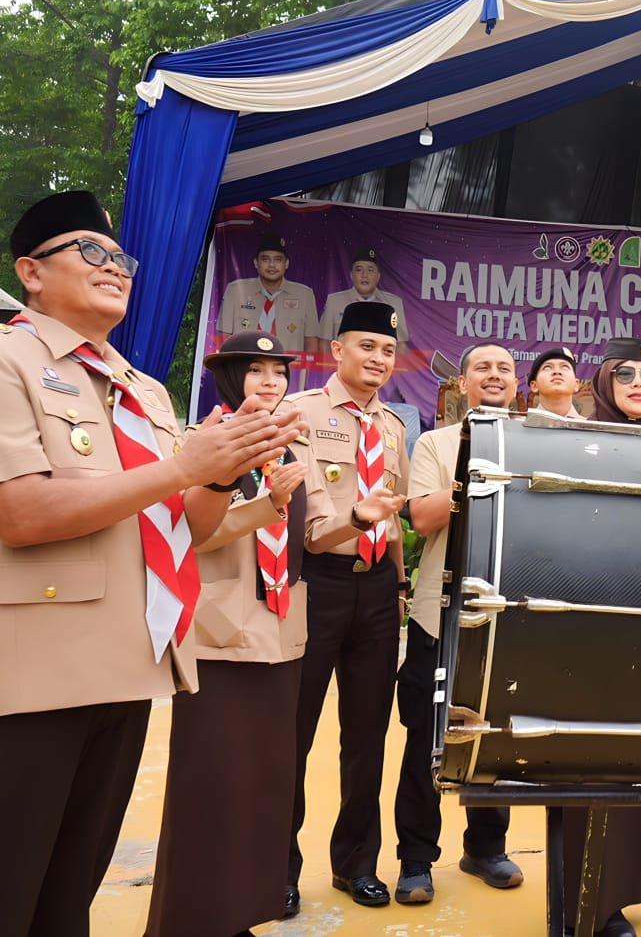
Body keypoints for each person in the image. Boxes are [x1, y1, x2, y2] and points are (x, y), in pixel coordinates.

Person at [0, 190, 300, 937]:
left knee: (68, 898)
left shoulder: (144, 390)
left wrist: (227, 470)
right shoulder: (9, 359)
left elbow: (183, 531)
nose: (115, 267)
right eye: (91, 252)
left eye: (121, 258)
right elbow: (22, 514)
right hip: (31, 675)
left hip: (127, 667)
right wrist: (184, 468)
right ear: (30, 272)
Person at [146, 333, 311, 937]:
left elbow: (304, 534)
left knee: (264, 784)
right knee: (210, 783)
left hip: (281, 632)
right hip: (219, 635)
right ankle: (191, 920)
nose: (270, 381)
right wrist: (265, 505)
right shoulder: (204, 440)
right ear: (228, 377)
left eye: (278, 370)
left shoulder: (292, 443)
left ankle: (241, 912)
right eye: (254, 370)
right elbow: (187, 534)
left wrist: (360, 520)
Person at [286, 301, 409, 912]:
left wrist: (399, 581)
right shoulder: (301, 413)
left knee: (367, 737)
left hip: (377, 591)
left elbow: (396, 514)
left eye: (387, 350)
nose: (378, 359)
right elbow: (304, 524)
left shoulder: (393, 426)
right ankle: (277, 867)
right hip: (318, 585)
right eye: (367, 347)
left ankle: (356, 865)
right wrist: (354, 520)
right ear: (337, 351)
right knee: (294, 732)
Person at [393, 342, 523, 904]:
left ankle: (486, 849)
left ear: (518, 384)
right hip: (438, 613)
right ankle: (415, 859)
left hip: (511, 616)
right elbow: (422, 517)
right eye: (483, 368)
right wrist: (482, 473)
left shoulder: (537, 444)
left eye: (504, 369)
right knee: (427, 737)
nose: (493, 376)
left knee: (497, 737)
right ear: (463, 384)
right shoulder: (437, 443)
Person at [560, 336, 641, 937]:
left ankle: (623, 893)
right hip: (591, 621)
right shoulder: (572, 444)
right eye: (624, 374)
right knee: (590, 760)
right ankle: (587, 905)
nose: (638, 384)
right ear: (602, 384)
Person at [216, 233, 321, 355]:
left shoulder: (304, 295)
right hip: (244, 370)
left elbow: (311, 343)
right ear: (256, 262)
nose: (271, 265)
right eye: (265, 259)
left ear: (286, 264)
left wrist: (305, 373)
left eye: (278, 260)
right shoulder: (236, 291)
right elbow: (224, 339)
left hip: (288, 371)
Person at [319, 246, 411, 347]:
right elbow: (324, 343)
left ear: (378, 276)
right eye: (359, 270)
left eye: (370, 270)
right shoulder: (334, 301)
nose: (364, 275)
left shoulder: (393, 303)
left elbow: (401, 347)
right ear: (351, 275)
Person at [529, 345, 581, 418]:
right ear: (534, 385)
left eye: (565, 367)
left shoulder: (589, 428)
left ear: (576, 384)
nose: (557, 372)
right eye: (547, 367)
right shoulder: (518, 426)